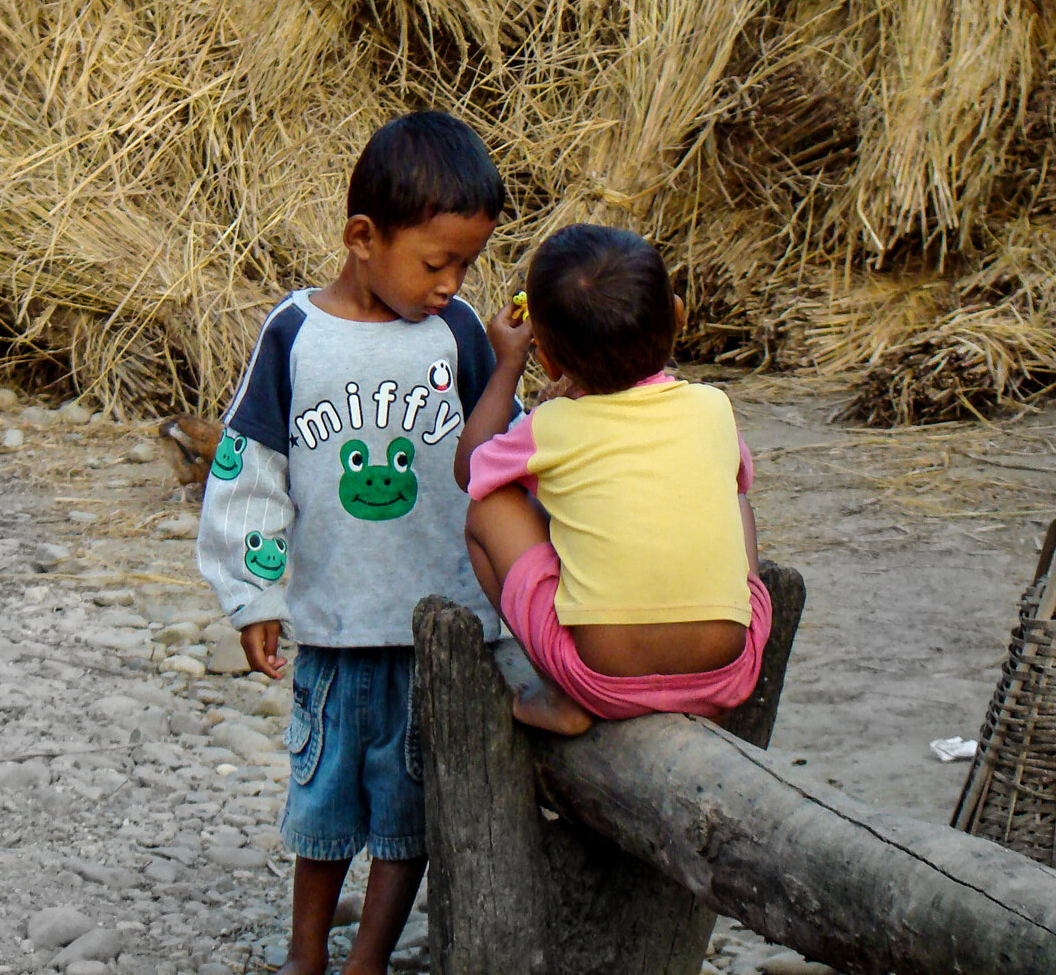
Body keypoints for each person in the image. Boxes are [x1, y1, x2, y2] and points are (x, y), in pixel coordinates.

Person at [195, 111, 507, 975]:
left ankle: (368, 959)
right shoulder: (296, 334)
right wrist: (252, 594)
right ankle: (305, 955)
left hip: (441, 634)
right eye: (435, 263)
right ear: (362, 238)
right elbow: (251, 467)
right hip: (332, 629)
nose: (450, 284)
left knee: (408, 816)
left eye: (465, 265)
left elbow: (507, 457)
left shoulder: (460, 336)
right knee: (322, 807)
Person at [454, 222, 772, 737]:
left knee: (488, 508)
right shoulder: (713, 406)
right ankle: (704, 690)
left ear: (546, 358)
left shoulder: (551, 426)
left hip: (599, 681)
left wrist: (507, 365)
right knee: (734, 494)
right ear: (677, 316)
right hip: (729, 673)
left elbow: (470, 472)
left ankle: (558, 694)